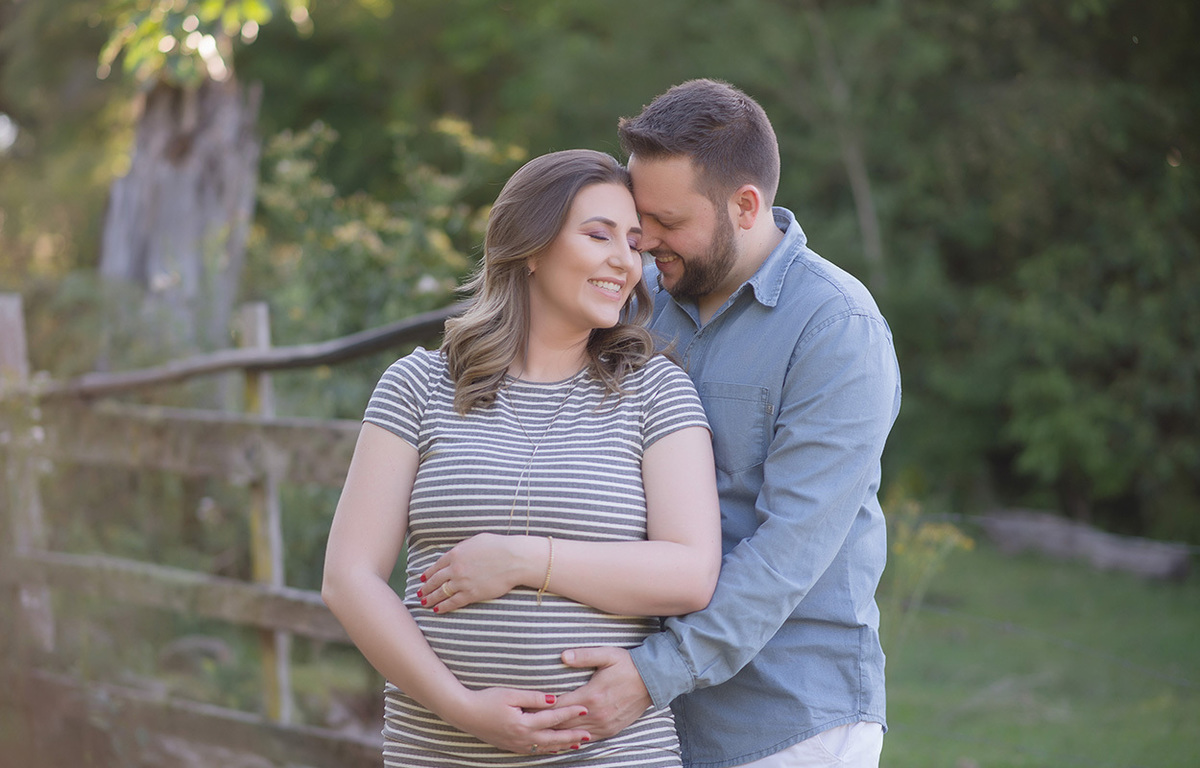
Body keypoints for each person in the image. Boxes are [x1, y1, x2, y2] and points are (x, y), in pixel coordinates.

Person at [321, 148, 722, 767]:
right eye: (599, 235)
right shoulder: (419, 386)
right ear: (530, 247)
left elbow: (691, 573)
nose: (626, 260)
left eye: (635, 242)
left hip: (610, 756)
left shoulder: (656, 392)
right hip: (438, 750)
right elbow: (348, 579)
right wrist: (464, 709)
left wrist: (522, 560)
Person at [549, 79, 902, 767]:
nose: (645, 241)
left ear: (746, 206)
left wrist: (651, 676)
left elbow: (787, 551)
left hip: (787, 723)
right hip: (646, 721)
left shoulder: (835, 329)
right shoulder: (641, 298)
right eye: (639, 216)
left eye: (668, 222)